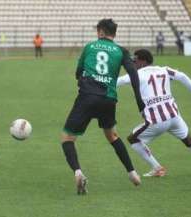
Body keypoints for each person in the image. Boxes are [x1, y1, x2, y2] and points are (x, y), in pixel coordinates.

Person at [61, 19, 145, 195]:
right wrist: (139, 101)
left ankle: (78, 172)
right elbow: (133, 75)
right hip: (108, 99)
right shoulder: (121, 51)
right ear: (114, 34)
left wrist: (82, 80)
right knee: (113, 136)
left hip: (87, 96)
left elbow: (78, 71)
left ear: (100, 32)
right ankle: (133, 173)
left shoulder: (90, 47)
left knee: (67, 138)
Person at [117, 49, 191, 177]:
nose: (133, 64)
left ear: (143, 61)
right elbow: (183, 76)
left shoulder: (136, 74)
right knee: (190, 141)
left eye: (135, 61)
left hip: (156, 121)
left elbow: (116, 82)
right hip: (174, 117)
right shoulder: (164, 70)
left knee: (133, 139)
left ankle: (157, 168)